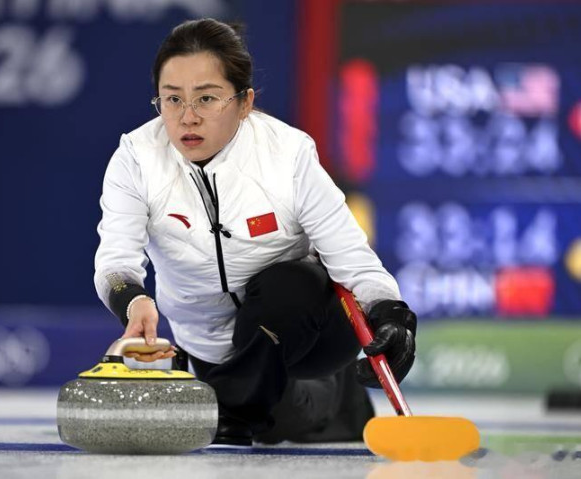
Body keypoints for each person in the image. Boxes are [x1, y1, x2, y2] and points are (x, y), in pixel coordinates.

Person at [94, 18, 417, 446]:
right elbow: (115, 263)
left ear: (244, 102)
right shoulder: (136, 159)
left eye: (206, 98)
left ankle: (230, 407)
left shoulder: (288, 155)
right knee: (277, 419)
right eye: (172, 99)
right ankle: (339, 402)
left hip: (310, 326)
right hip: (215, 348)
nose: (187, 117)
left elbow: (353, 259)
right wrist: (133, 300)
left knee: (287, 283)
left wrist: (393, 316)